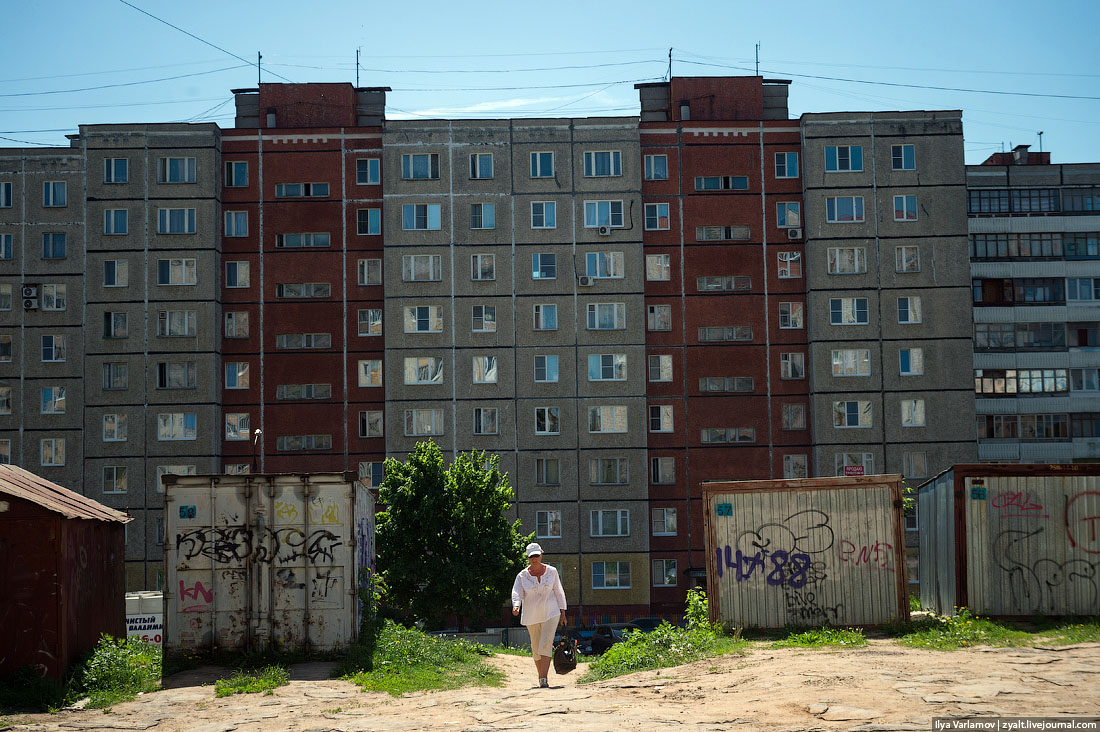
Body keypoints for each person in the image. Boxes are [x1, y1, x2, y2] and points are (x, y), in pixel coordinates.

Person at [511, 542, 567, 688]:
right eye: (531, 557)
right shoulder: (522, 576)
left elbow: (559, 592)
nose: (534, 559)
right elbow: (516, 592)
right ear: (528, 558)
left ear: (541, 554)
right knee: (536, 646)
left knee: (546, 643)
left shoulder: (552, 571)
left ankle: (544, 678)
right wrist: (516, 605)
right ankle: (540, 676)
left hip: (551, 612)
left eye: (536, 555)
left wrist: (563, 613)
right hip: (532, 615)